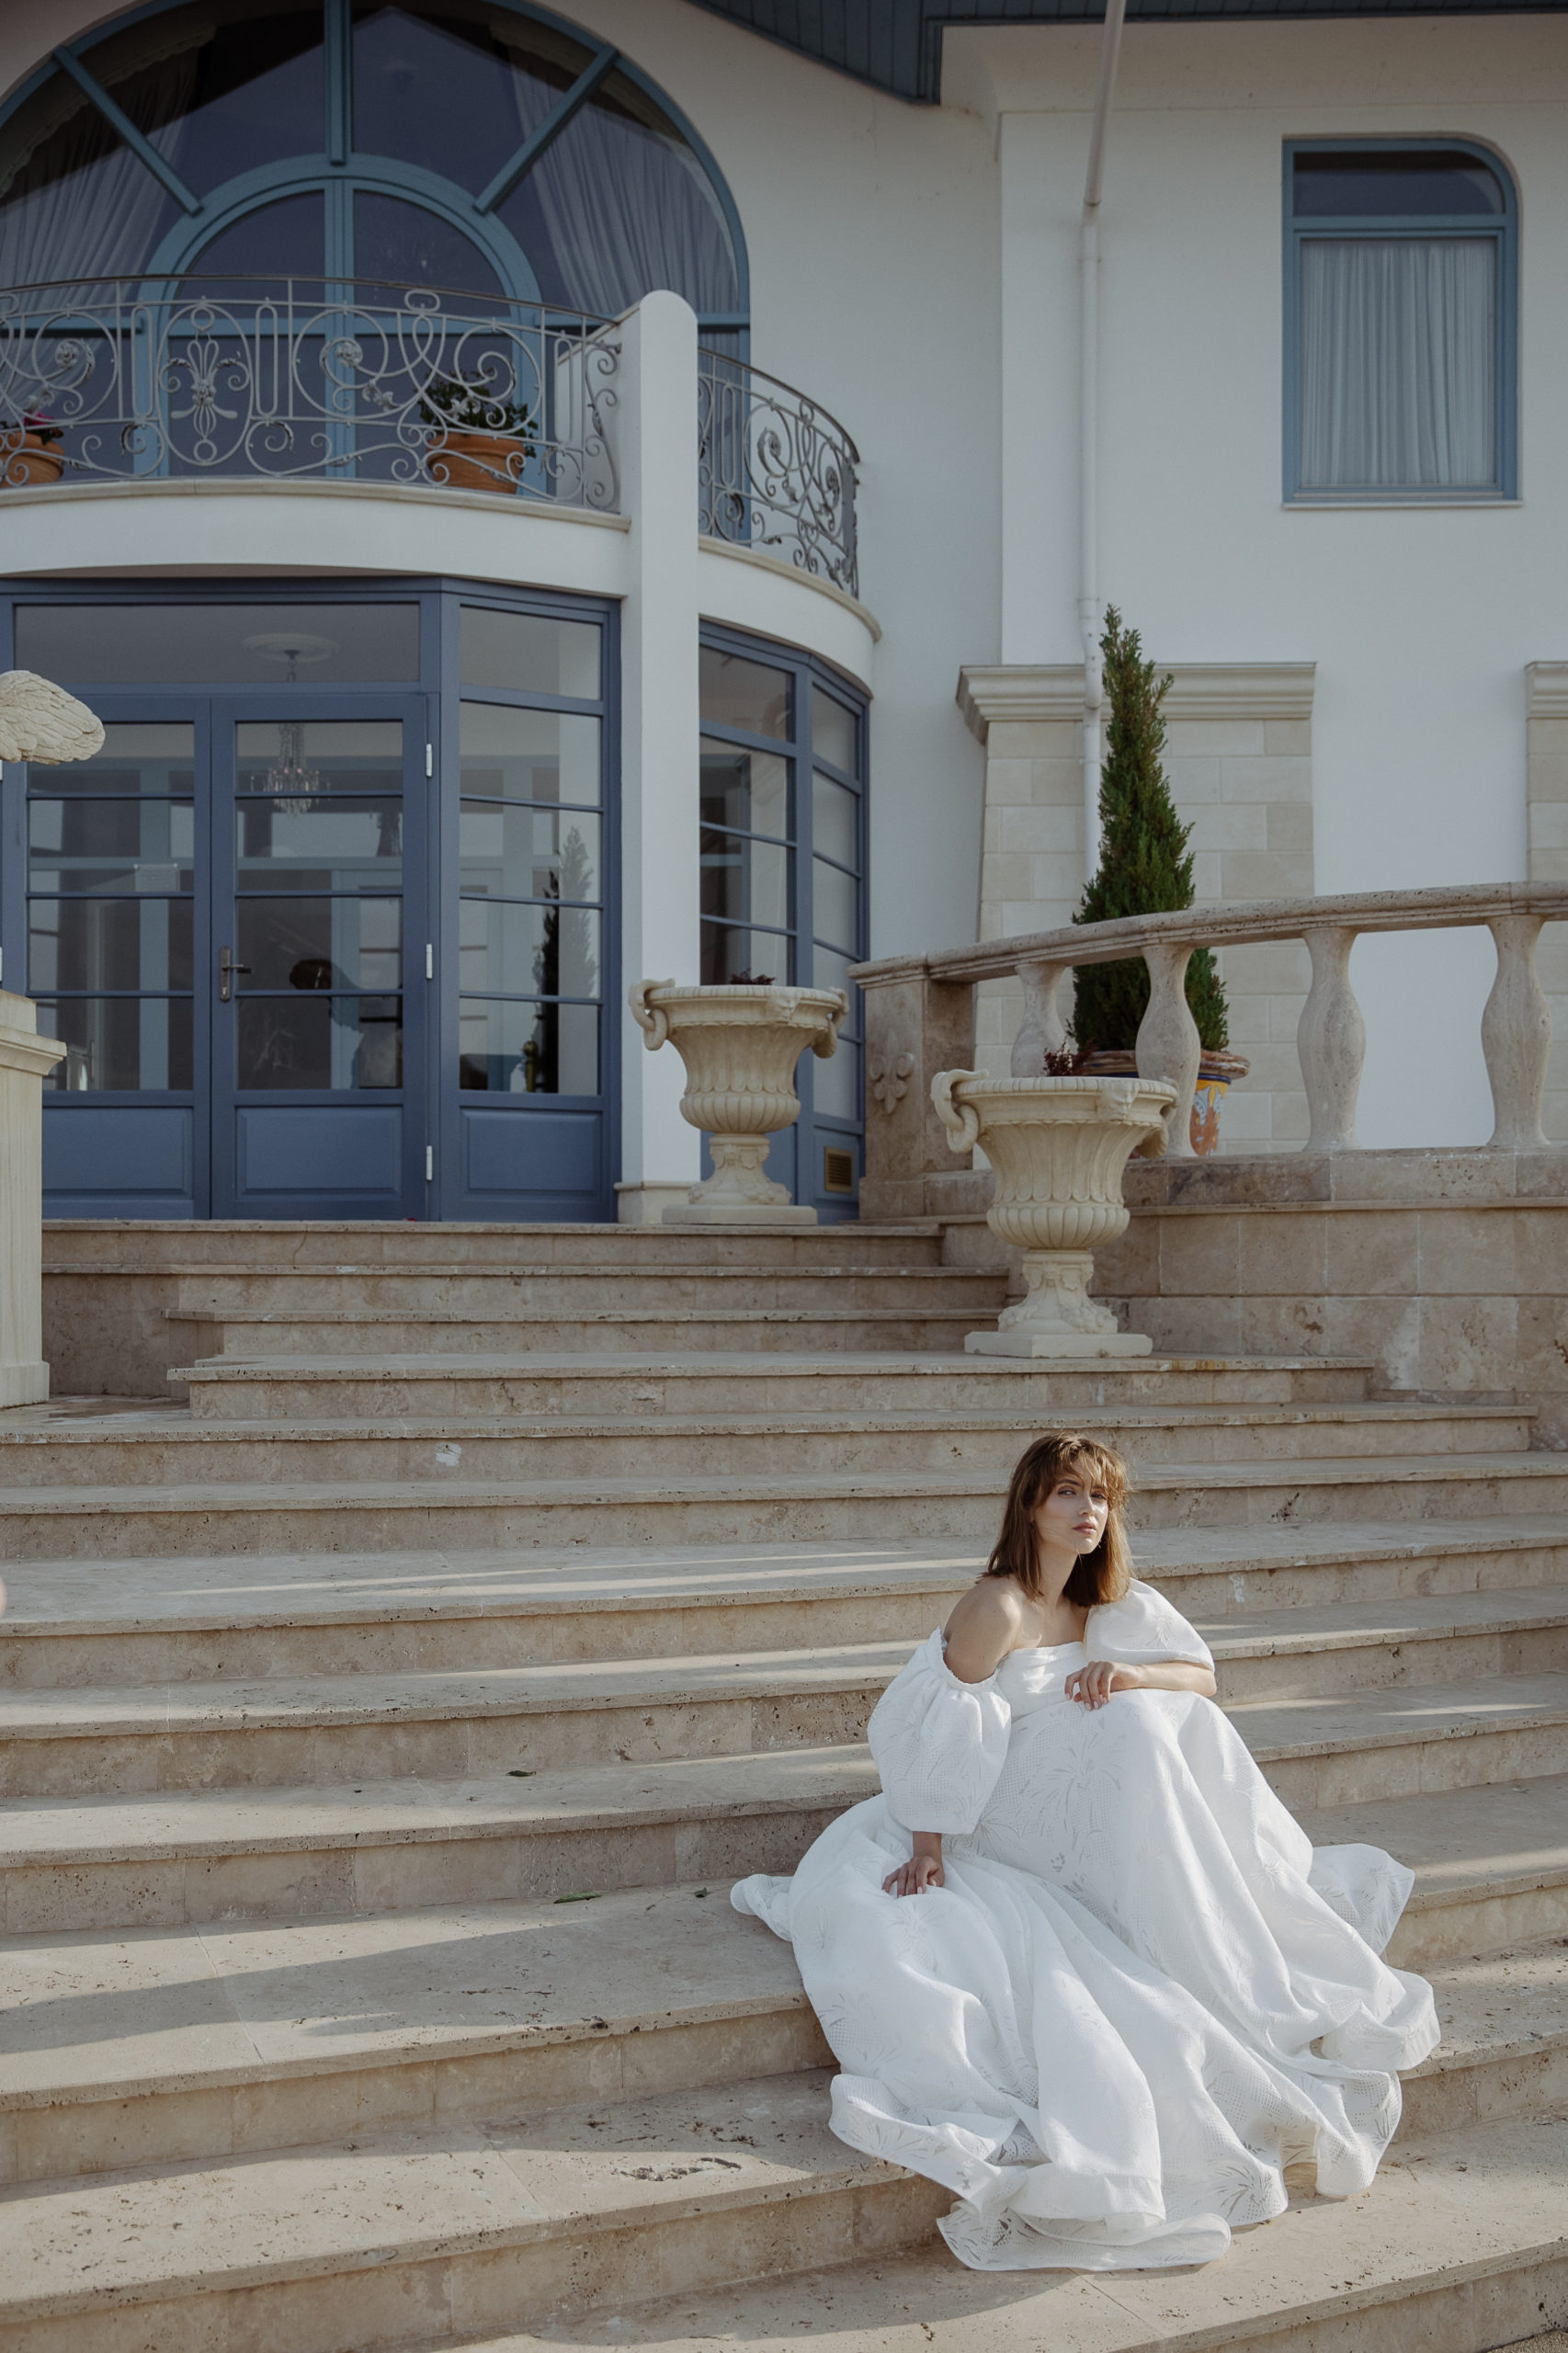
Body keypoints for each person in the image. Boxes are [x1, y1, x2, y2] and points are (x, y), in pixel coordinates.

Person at [732, 1432, 1439, 2272]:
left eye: (1100, 1497)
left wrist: (1133, 1675)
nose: (1087, 1511)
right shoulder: (997, 1607)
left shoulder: (1112, 1604)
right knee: (1133, 1736)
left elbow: (1202, 1679)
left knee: (1168, 1720)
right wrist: (926, 1844)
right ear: (1031, 1504)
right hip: (991, 1803)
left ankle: (1207, 1932)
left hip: (1079, 1799)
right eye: (1068, 1492)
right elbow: (940, 1731)